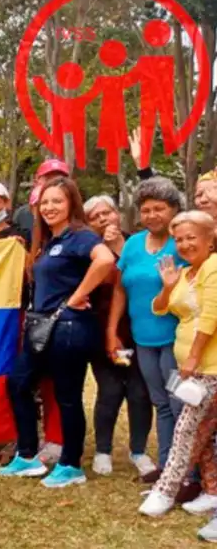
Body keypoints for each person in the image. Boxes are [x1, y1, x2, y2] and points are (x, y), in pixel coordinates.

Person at [0, 177, 115, 488]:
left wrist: (78, 295)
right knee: (18, 384)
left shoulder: (80, 236)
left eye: (57, 201)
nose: (50, 207)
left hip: (69, 329)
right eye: (45, 202)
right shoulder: (50, 241)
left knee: (68, 397)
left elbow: (105, 259)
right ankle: (27, 455)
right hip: (42, 328)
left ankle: (71, 464)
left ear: (71, 204)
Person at [109, 177, 187, 486]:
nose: (152, 215)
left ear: (174, 209)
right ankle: (167, 466)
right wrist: (111, 329)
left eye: (159, 208)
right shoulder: (132, 244)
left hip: (175, 339)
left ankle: (187, 473)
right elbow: (120, 289)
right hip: (143, 339)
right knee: (161, 403)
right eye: (146, 209)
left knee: (179, 404)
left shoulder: (182, 243)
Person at [140, 211, 217, 520]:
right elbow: (158, 309)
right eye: (179, 239)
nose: (184, 244)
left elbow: (211, 315)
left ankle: (165, 490)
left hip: (209, 367)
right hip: (190, 368)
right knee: (204, 433)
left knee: (186, 430)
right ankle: (212, 491)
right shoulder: (185, 273)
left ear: (210, 239)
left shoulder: (213, 267)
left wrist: (194, 356)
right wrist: (169, 286)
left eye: (191, 237)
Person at [81, 194, 154, 478]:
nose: (103, 219)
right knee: (110, 391)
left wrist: (118, 247)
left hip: (140, 331)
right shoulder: (88, 249)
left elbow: (139, 278)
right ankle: (103, 450)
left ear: (117, 213)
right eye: (95, 217)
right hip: (102, 331)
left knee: (139, 392)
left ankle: (138, 450)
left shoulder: (138, 243)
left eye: (107, 212)